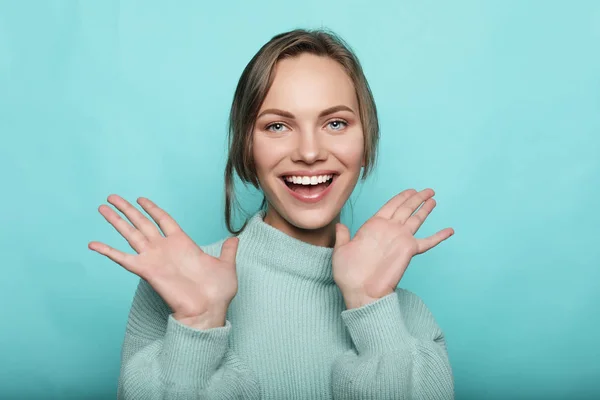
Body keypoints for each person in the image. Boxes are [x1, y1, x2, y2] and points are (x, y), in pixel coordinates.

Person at [88, 28, 455, 399]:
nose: (309, 152)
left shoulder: (403, 315)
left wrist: (371, 305)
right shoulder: (175, 288)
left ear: (366, 140)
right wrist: (196, 327)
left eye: (335, 123)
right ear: (246, 146)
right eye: (277, 125)